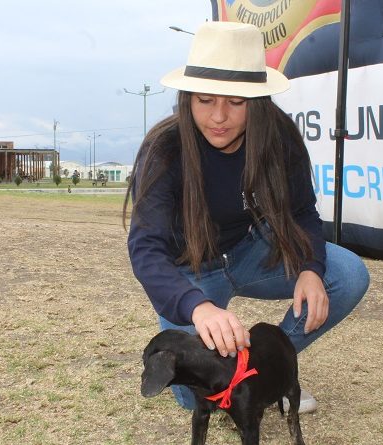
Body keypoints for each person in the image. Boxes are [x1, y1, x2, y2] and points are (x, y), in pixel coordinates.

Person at [124, 22, 369, 413]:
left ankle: (267, 375)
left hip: (253, 251)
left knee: (347, 275)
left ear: (256, 102)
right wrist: (197, 307)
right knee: (194, 397)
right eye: (205, 100)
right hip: (191, 270)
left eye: (235, 103)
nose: (219, 116)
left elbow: (302, 211)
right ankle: (240, 383)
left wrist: (310, 267)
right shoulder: (164, 149)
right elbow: (145, 248)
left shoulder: (278, 136)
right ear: (187, 99)